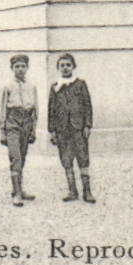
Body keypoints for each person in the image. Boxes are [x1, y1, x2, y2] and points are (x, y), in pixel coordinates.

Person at [47, 52, 95, 203]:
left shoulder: (80, 84)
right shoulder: (55, 88)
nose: (65, 68)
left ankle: (87, 191)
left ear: (73, 67)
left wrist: (87, 125)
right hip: (62, 129)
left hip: (78, 128)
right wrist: (52, 130)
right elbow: (51, 110)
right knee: (66, 159)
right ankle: (72, 190)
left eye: (68, 65)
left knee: (83, 158)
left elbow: (87, 106)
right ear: (58, 68)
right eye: (62, 66)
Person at [0, 54, 37, 206]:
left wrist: (33, 128)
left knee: (23, 157)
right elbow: (1, 108)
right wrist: (2, 130)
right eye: (17, 66)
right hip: (12, 122)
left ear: (27, 68)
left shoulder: (31, 86)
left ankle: (19, 189)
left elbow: (35, 108)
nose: (20, 69)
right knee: (16, 157)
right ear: (12, 68)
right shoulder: (7, 86)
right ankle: (17, 194)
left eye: (23, 66)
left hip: (26, 122)